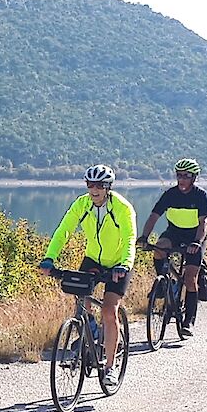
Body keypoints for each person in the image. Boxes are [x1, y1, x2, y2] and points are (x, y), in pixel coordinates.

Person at [38, 165, 137, 389]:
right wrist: (49, 258)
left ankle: (110, 367)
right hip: (93, 260)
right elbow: (63, 231)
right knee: (81, 303)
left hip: (119, 263)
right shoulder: (82, 204)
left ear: (108, 187)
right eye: (90, 185)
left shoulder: (122, 208)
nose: (94, 190)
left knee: (109, 310)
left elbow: (129, 238)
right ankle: (89, 334)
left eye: (100, 185)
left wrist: (124, 264)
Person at [137, 158, 207, 336]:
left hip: (195, 236)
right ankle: (164, 283)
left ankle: (189, 321)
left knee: (190, 278)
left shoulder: (200, 195)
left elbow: (204, 222)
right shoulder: (170, 194)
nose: (182, 179)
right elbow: (154, 216)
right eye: (179, 175)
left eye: (186, 176)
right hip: (174, 233)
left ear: (194, 178)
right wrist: (145, 237)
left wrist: (197, 242)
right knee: (159, 248)